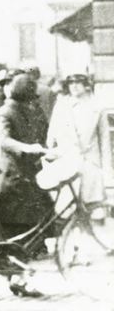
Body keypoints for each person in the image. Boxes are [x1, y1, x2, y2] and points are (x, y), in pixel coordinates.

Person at [0, 74, 52, 298]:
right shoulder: (6, 112)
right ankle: (18, 278)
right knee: (19, 232)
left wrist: (46, 151)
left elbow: (41, 135)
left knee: (31, 230)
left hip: (28, 176)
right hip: (12, 180)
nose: (33, 101)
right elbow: (4, 140)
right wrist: (27, 149)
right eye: (29, 98)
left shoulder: (29, 110)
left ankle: (19, 277)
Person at [47, 73, 106, 216]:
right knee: (67, 206)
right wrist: (51, 153)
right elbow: (52, 133)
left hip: (90, 161)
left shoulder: (97, 107)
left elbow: (104, 140)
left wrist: (106, 168)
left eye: (78, 82)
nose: (73, 86)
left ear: (86, 86)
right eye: (71, 83)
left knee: (91, 205)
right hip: (67, 160)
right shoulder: (62, 105)